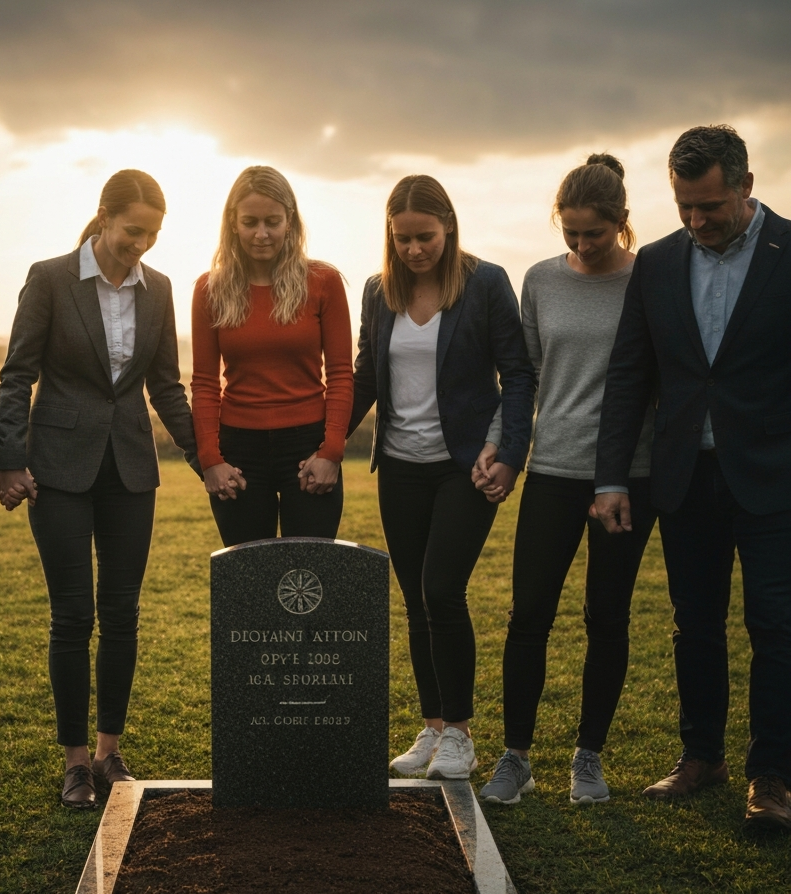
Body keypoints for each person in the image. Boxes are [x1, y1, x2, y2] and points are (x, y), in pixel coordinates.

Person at [595, 125, 791, 832]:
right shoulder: (656, 262)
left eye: (709, 205)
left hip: (774, 478)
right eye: (684, 206)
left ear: (745, 185)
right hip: (685, 476)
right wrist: (610, 477)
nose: (697, 221)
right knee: (694, 624)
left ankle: (771, 778)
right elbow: (629, 376)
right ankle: (700, 756)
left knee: (776, 624)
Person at [0, 170, 200, 811]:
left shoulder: (159, 289)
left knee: (122, 615)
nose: (142, 243)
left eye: (154, 234)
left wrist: (204, 456)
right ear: (104, 218)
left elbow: (165, 385)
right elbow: (17, 372)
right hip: (58, 469)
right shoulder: (51, 278)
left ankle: (110, 753)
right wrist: (8, 459)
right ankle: (75, 764)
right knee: (72, 615)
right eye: (134, 230)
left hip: (131, 470)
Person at [477, 155, 656, 807]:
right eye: (570, 233)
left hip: (628, 476)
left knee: (606, 616)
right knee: (529, 615)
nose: (581, 246)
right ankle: (516, 757)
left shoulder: (648, 280)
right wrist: (501, 444)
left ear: (621, 224)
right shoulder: (540, 280)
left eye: (594, 234)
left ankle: (588, 758)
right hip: (553, 470)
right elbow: (522, 377)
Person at [348, 175, 535, 781]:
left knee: (441, 591)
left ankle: (460, 733)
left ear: (448, 227)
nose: (413, 250)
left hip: (465, 465)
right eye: (401, 239)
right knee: (414, 600)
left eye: (424, 237)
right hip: (398, 467)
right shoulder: (379, 291)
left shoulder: (485, 283)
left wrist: (507, 452)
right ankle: (431, 730)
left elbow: (519, 375)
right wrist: (324, 446)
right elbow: (365, 381)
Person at [190, 165, 354, 545]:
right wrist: (211, 460)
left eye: (272, 221)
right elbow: (203, 383)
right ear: (233, 222)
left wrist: (331, 452)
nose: (261, 234)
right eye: (250, 222)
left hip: (308, 449)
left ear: (290, 221)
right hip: (239, 452)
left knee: (308, 582)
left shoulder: (323, 282)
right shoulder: (209, 290)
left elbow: (342, 375)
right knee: (249, 582)